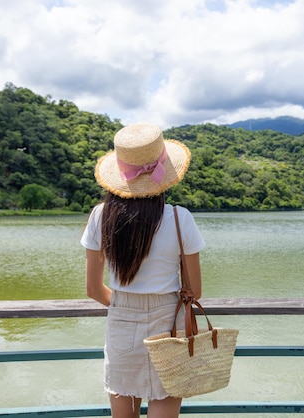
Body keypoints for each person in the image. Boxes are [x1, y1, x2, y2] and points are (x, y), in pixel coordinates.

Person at [81, 123, 205, 418]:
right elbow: (194, 291)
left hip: (121, 320)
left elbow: (93, 289)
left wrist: (128, 306)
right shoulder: (180, 218)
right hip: (169, 323)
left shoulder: (100, 216)